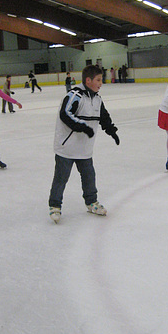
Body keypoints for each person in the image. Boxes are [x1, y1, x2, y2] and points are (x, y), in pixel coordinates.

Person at [48, 64, 119, 223]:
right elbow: (65, 114)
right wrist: (82, 127)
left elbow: (104, 117)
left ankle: (91, 202)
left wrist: (111, 130)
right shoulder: (75, 95)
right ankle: (55, 206)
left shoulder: (97, 99)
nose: (101, 83)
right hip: (66, 148)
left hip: (84, 149)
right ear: (88, 80)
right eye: (98, 80)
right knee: (61, 178)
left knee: (89, 176)